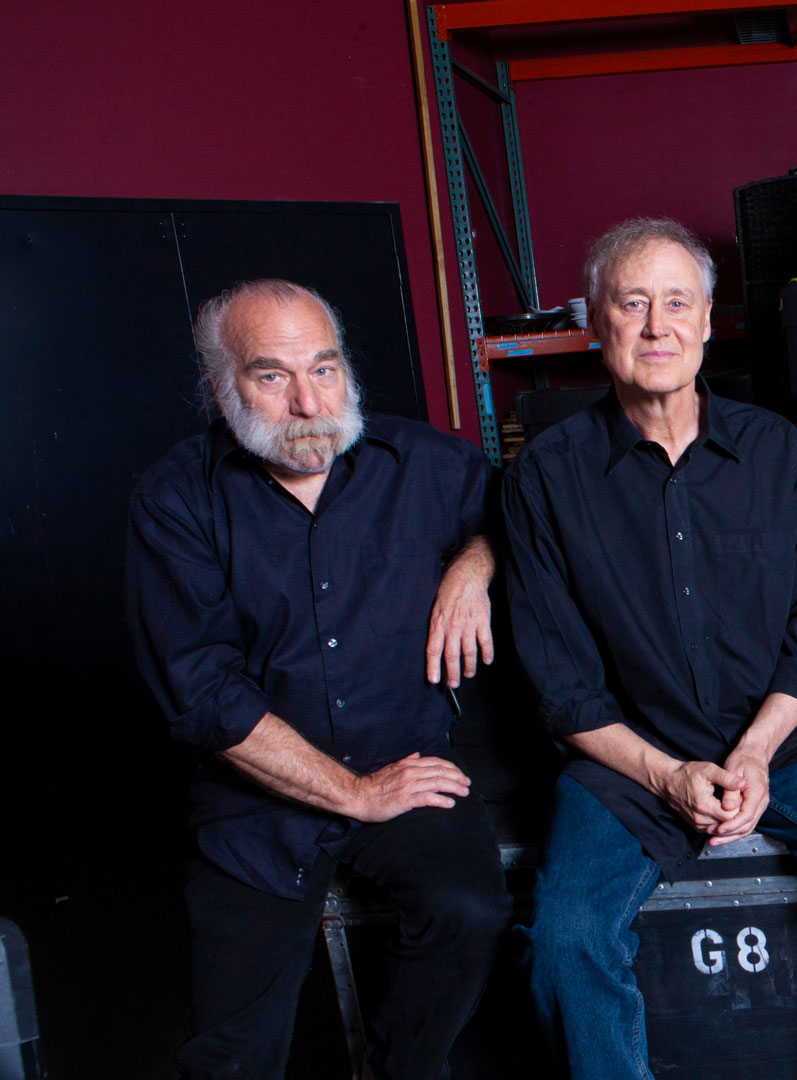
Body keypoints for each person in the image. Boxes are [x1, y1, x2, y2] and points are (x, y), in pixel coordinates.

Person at [500, 217, 797, 1079]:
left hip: (787, 743)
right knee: (565, 934)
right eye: (632, 304)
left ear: (708, 320)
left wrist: (753, 753)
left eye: (678, 303)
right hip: (627, 760)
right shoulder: (547, 477)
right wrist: (667, 774)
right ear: (597, 321)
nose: (657, 326)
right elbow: (560, 684)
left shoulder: (778, 454)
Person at [126, 279, 511, 1080]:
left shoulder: (426, 463)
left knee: (469, 912)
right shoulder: (175, 500)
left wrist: (475, 564)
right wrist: (354, 794)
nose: (308, 403)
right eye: (272, 376)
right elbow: (204, 696)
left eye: (324, 370)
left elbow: (517, 517)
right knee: (231, 1052)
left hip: (407, 761)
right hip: (257, 799)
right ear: (222, 387)